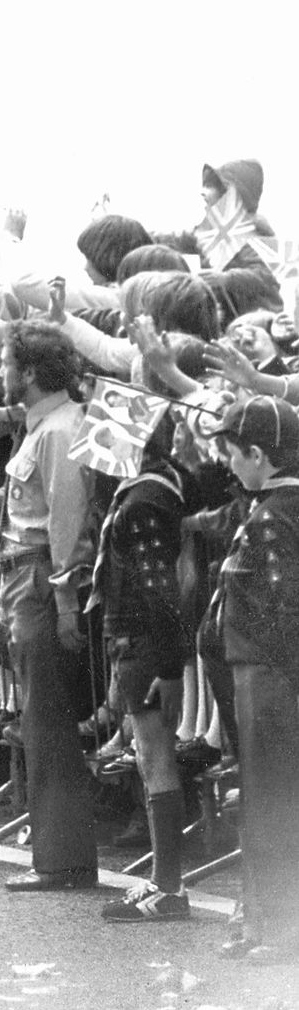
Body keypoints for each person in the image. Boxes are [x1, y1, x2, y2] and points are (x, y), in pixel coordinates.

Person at [0, 319, 98, 892]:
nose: (1, 374)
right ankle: (58, 856)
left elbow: (65, 523)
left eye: (9, 364)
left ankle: (62, 859)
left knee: (48, 719)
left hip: (40, 579)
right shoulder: (45, 426)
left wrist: (63, 601)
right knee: (39, 716)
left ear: (30, 372)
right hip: (27, 576)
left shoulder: (59, 431)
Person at [89, 383, 194, 920]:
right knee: (151, 758)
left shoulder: (146, 501)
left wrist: (171, 670)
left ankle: (169, 887)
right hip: (131, 643)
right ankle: (162, 880)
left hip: (146, 646)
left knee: (156, 760)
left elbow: (161, 594)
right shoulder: (143, 492)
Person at [206, 396, 299, 960]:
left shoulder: (281, 514)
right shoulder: (270, 505)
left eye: (234, 453)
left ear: (259, 455)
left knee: (276, 801)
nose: (228, 465)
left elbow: (284, 608)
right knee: (261, 800)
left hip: (271, 676)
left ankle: (283, 930)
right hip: (253, 674)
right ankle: (262, 921)